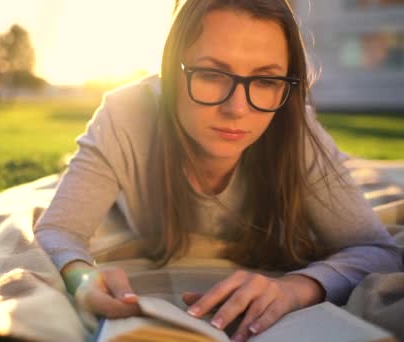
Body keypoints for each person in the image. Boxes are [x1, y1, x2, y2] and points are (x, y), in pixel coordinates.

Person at [34, 0, 403, 341]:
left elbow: (376, 249)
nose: (237, 108)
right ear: (171, 70)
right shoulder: (125, 115)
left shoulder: (295, 131)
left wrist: (296, 289)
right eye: (211, 73)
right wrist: (82, 277)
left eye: (265, 80)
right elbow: (59, 229)